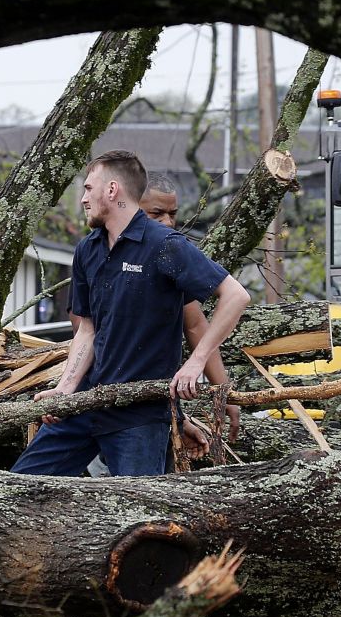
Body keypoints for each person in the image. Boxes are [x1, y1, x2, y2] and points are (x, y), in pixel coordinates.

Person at [13, 151, 250, 477]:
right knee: (20, 488)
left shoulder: (165, 245)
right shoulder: (87, 250)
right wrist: (65, 389)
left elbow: (236, 296)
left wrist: (195, 365)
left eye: (88, 188)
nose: (82, 199)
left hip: (139, 415)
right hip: (86, 402)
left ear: (112, 191)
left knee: (138, 516)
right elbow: (87, 330)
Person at [139, 176, 242, 446]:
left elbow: (196, 325)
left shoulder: (169, 254)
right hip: (104, 401)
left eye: (172, 214)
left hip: (155, 402)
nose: (168, 222)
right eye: (157, 214)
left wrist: (223, 393)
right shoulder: (99, 253)